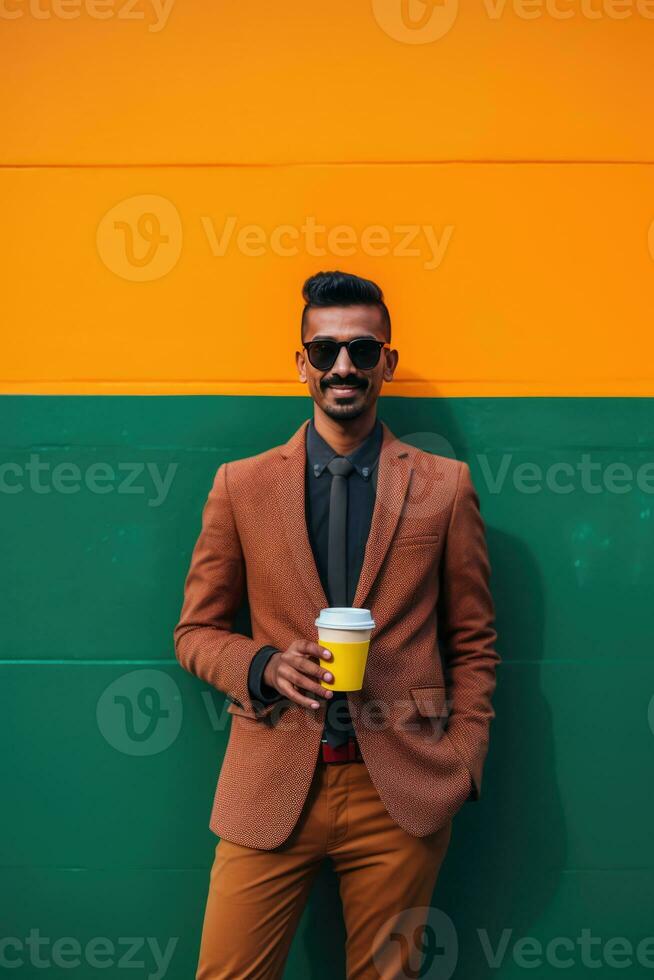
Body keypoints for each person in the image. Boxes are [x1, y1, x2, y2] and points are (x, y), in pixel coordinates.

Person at [174, 270, 500, 980]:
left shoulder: (445, 486)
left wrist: (462, 760)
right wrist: (261, 667)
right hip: (269, 783)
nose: (342, 366)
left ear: (387, 359)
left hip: (403, 792)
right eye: (324, 352)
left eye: (360, 348)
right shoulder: (242, 485)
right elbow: (194, 632)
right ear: (302, 365)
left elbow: (474, 639)